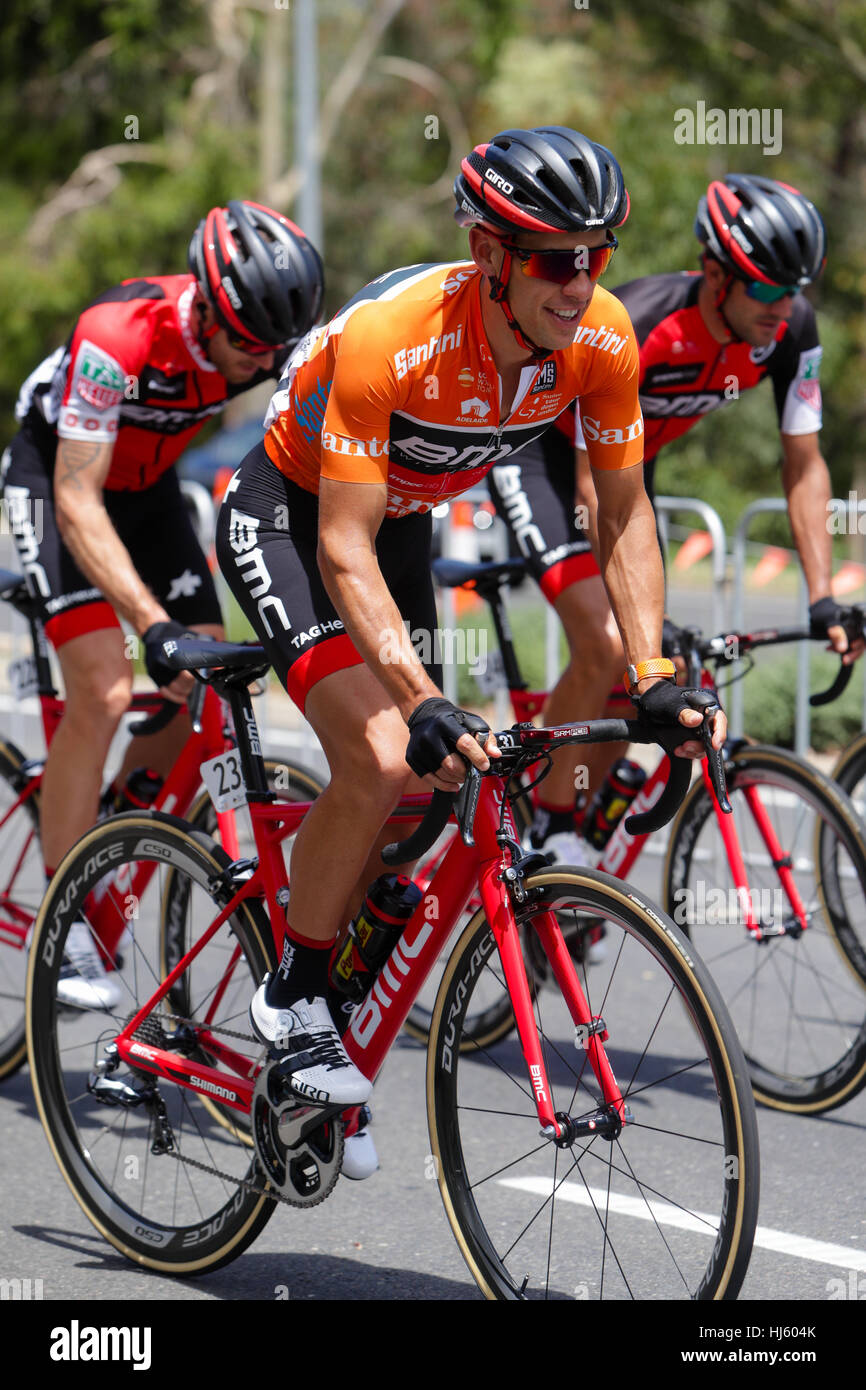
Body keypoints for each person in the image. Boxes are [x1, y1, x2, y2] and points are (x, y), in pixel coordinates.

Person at [213, 126, 726, 1178]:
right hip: (293, 516)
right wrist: (415, 696)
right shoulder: (395, 336)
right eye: (551, 257)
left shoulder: (601, 340)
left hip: (398, 518)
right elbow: (339, 546)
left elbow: (622, 519)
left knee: (443, 777)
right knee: (388, 747)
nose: (578, 282)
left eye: (595, 255)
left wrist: (650, 675)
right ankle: (295, 991)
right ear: (490, 254)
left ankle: (352, 948)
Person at [1, 200, 323, 1007]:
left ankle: (110, 823)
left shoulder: (262, 346)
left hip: (148, 495)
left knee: (203, 681)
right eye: (245, 348)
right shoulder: (120, 335)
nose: (258, 367)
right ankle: (66, 907)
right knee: (107, 687)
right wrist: (150, 625)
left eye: (272, 352)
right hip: (57, 482)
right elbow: (76, 495)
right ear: (208, 309)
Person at [486, 173, 863, 859]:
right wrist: (635, 619)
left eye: (796, 288)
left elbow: (804, 464)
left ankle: (585, 819)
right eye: (769, 288)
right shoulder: (644, 321)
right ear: (715, 273)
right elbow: (589, 491)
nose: (785, 306)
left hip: (624, 469)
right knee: (609, 642)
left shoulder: (791, 329)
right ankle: (551, 823)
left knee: (650, 668)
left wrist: (822, 597)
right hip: (541, 461)